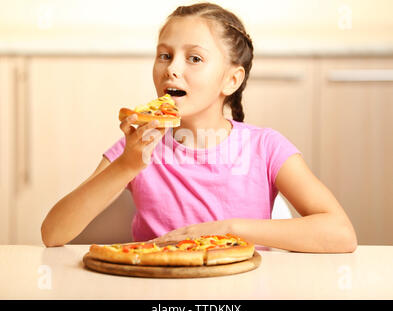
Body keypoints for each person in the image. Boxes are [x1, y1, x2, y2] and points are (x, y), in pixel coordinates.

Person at [41, 2, 357, 253]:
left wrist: (227, 229)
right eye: (165, 55)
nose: (172, 69)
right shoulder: (136, 146)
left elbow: (340, 233)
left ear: (231, 80)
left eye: (194, 58)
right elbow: (53, 234)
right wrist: (126, 165)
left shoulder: (266, 147)